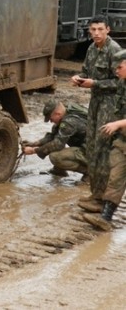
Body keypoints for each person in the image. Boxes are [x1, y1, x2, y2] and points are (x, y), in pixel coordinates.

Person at [71, 15, 122, 213]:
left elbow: (120, 82)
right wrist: (79, 78)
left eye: (100, 29)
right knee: (92, 145)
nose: (97, 33)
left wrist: (96, 84)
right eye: (93, 30)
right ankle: (95, 194)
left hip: (110, 104)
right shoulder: (92, 49)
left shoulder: (114, 50)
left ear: (108, 29)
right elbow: (86, 71)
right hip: (95, 102)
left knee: (102, 148)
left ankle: (102, 198)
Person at [83, 49, 126, 231]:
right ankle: (106, 217)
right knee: (115, 176)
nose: (116, 70)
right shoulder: (122, 84)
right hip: (123, 140)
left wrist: (117, 124)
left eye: (120, 67)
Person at [22, 99, 88, 179]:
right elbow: (53, 136)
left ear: (57, 114)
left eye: (51, 119)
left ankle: (90, 173)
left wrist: (33, 151)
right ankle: (59, 170)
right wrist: (35, 143)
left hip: (95, 153)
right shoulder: (67, 111)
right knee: (59, 139)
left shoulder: (69, 122)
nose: (51, 121)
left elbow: (57, 144)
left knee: (55, 156)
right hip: (88, 146)